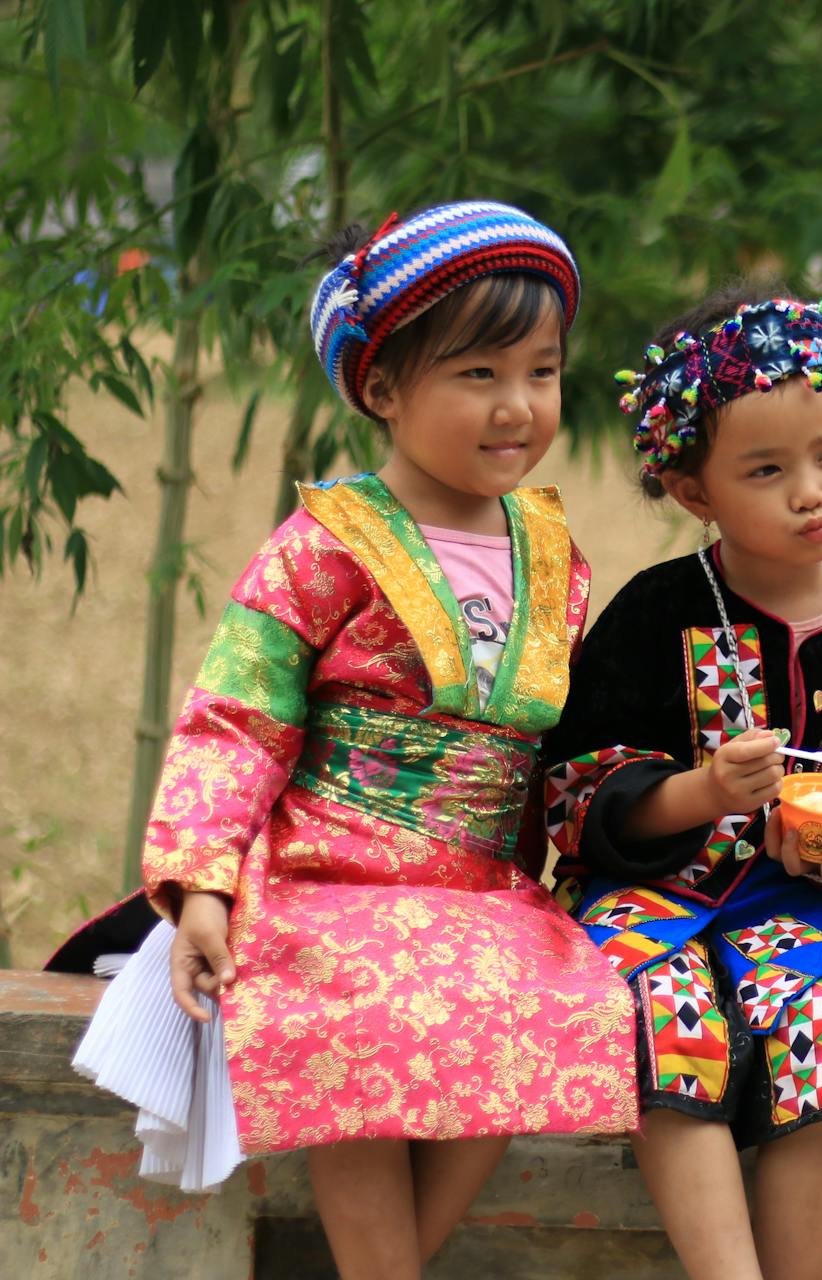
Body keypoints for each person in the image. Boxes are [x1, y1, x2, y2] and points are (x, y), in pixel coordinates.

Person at [68, 201, 638, 1280]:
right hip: (337, 875)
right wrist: (202, 885)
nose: (518, 405)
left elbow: (561, 750)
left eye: (543, 371)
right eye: (478, 374)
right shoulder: (321, 545)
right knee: (361, 1006)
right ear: (380, 388)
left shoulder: (555, 555)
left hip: (484, 886)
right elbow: (235, 716)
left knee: (552, 1001)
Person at [538, 287, 822, 1280]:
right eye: (767, 468)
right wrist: (703, 793)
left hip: (801, 906)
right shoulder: (653, 614)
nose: (812, 492)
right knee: (667, 1011)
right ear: (692, 489)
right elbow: (574, 792)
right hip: (644, 896)